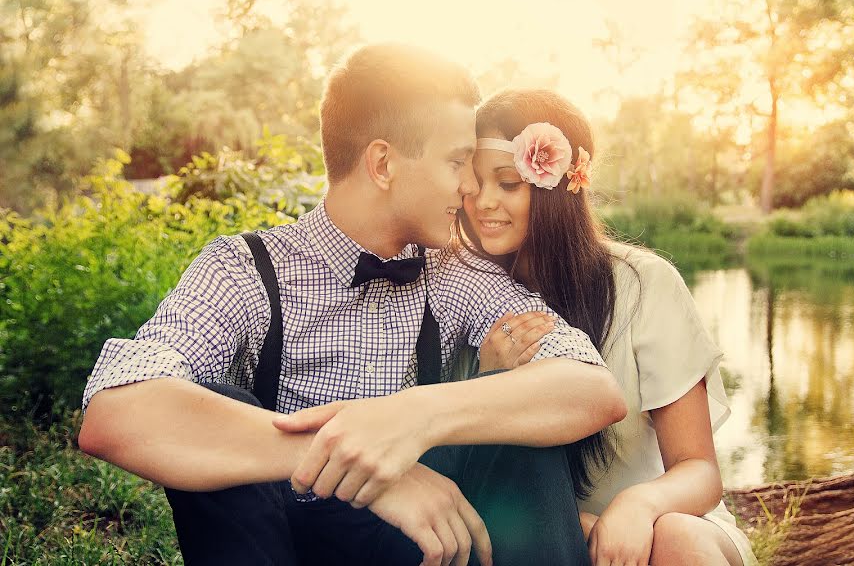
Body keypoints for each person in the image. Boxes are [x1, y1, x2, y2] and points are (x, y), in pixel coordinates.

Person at [78, 45, 625, 566]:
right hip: (280, 545)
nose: (469, 188)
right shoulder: (242, 269)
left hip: (427, 549)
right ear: (383, 164)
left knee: (518, 421)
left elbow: (591, 388)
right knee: (210, 406)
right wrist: (351, 460)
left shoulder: (456, 273)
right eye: (457, 162)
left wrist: (411, 419)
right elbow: (114, 412)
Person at [453, 88, 758, 566]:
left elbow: (699, 469)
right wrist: (489, 378)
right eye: (474, 184)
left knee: (679, 538)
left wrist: (637, 506)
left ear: (556, 184)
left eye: (508, 183)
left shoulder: (642, 284)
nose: (484, 203)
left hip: (657, 527)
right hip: (533, 532)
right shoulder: (458, 290)